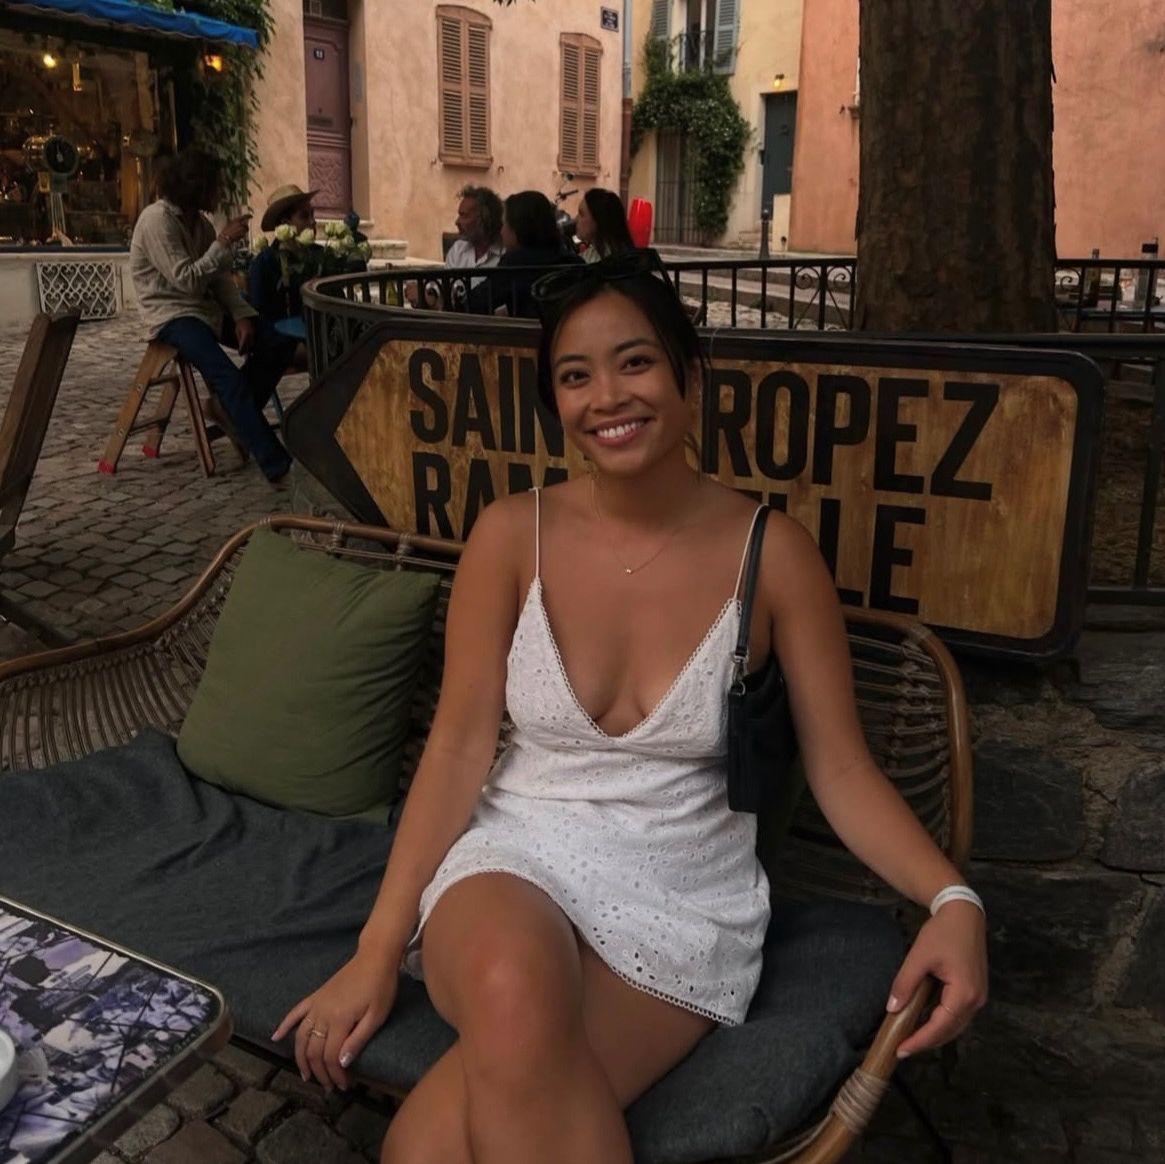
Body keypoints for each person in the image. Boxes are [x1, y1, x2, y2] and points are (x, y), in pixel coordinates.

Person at [273, 251, 988, 1162]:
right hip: (515, 860)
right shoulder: (510, 536)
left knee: (430, 1144)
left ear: (691, 378)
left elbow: (840, 767)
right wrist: (376, 951)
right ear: (556, 403)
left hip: (684, 898)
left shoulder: (772, 556)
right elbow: (455, 750)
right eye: (575, 376)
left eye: (635, 362)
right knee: (510, 985)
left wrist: (951, 898)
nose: (607, 396)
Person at [129, 148, 295, 484]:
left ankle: (227, 410)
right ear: (196, 187)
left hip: (205, 309)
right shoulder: (156, 221)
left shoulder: (200, 223)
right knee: (226, 376)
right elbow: (187, 280)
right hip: (171, 313)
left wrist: (241, 314)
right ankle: (276, 464)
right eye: (215, 186)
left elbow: (219, 277)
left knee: (277, 343)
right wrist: (223, 241)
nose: (220, 193)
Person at [466, 190, 582, 317]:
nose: (501, 231)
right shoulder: (574, 262)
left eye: (504, 224)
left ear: (517, 228)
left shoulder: (514, 264)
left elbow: (476, 301)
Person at [247, 183, 319, 327]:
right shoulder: (265, 262)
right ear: (285, 223)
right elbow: (260, 316)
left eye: (312, 214)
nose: (313, 222)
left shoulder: (320, 255)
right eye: (304, 216)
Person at [576, 187, 634, 263]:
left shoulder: (605, 261)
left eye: (582, 214)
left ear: (598, 220)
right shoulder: (627, 254)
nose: (576, 219)